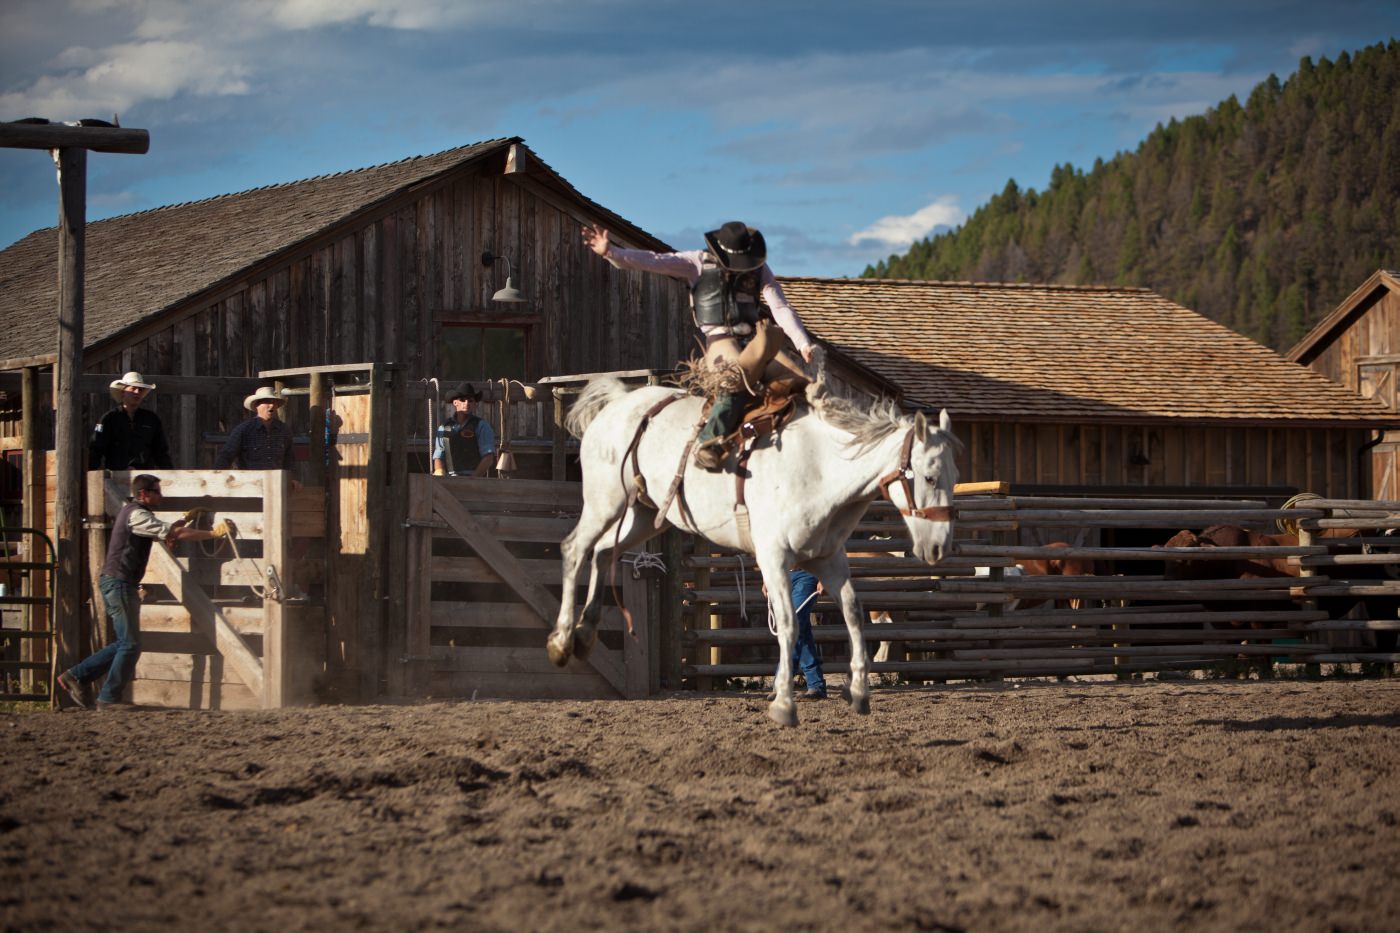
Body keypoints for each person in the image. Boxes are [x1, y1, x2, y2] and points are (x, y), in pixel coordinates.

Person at [582, 221, 816, 470]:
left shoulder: (759, 269)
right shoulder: (697, 262)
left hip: (754, 340)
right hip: (721, 340)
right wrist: (612, 252)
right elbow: (655, 261)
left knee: (802, 383)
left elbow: (780, 307)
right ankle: (709, 442)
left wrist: (802, 343)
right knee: (735, 378)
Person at [55, 474, 228, 710]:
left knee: (125, 642)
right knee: (130, 644)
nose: (161, 495)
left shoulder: (135, 513)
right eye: (157, 491)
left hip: (119, 583)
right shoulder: (137, 515)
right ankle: (107, 698)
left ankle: (75, 677)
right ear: (144, 494)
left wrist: (183, 520)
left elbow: (167, 532)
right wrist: (213, 534)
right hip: (119, 583)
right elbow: (172, 534)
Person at [89, 371, 174, 470]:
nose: (137, 392)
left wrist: (170, 475)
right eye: (133, 388)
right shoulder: (109, 419)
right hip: (116, 477)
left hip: (145, 478)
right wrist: (92, 477)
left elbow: (161, 452)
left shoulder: (151, 419)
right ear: (123, 392)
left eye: (140, 389)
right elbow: (95, 449)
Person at [215, 386, 297, 472]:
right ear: (257, 405)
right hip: (250, 481)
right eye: (266, 402)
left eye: (273, 402)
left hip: (276, 482)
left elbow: (289, 460)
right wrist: (218, 478)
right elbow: (226, 456)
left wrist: (292, 479)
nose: (271, 405)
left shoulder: (284, 430)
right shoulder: (244, 430)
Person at [432, 383, 497, 477]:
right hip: (450, 479)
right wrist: (439, 471)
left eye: (470, 400)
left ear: (475, 404)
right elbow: (438, 456)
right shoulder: (444, 428)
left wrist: (473, 479)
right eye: (462, 400)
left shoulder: (482, 426)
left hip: (474, 479)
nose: (466, 403)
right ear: (455, 403)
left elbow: (488, 458)